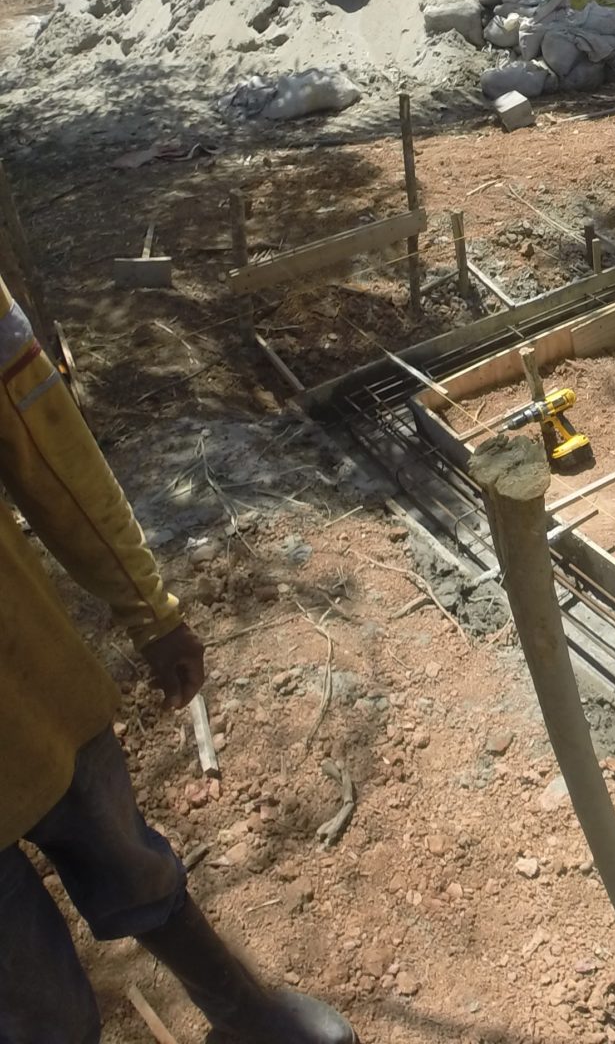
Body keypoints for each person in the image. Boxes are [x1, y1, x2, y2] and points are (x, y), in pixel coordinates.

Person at [0, 279, 354, 1044]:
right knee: (35, 1008)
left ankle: (243, 1017)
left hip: (30, 687)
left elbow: (54, 455)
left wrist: (152, 614)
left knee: (134, 864)